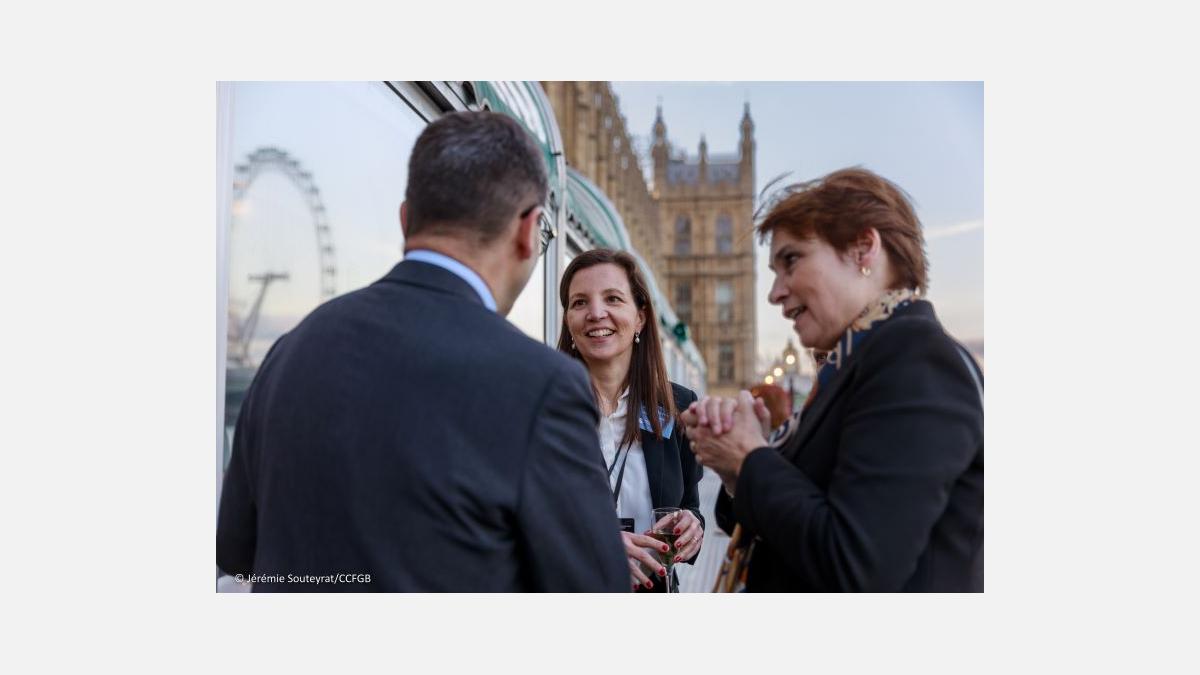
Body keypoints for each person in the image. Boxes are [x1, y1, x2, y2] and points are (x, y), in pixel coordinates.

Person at [216, 111, 629, 592]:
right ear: (529, 230)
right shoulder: (542, 384)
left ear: (406, 218)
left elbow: (237, 554)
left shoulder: (290, 351)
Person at [682, 167, 984, 592]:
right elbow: (797, 513)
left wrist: (750, 458)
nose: (775, 292)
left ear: (864, 249)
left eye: (791, 260)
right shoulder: (854, 362)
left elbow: (855, 565)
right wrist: (738, 471)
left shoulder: (917, 359)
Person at [556, 249, 704, 593]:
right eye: (579, 303)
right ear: (568, 320)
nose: (596, 313)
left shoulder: (678, 406)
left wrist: (693, 525)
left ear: (640, 317)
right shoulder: (540, 409)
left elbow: (689, 505)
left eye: (612, 299)